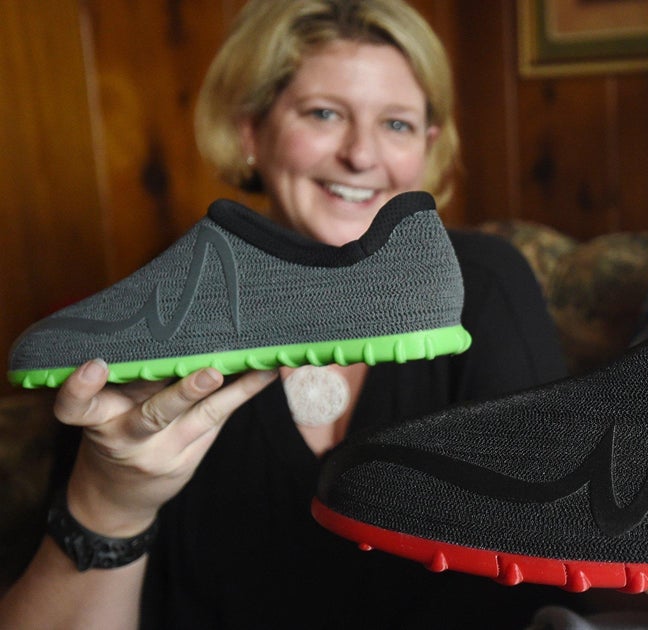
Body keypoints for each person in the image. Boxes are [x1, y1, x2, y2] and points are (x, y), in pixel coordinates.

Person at [0, 1, 580, 627]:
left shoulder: (484, 287)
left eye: (397, 124)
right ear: (251, 130)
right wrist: (110, 505)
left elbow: (562, 556)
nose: (362, 154)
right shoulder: (163, 320)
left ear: (428, 147)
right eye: (324, 113)